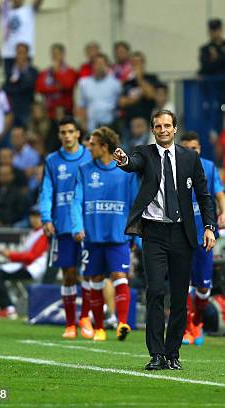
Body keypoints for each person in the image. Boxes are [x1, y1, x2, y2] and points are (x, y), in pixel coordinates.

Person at [113, 109, 216, 371]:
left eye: (167, 126)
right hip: (154, 233)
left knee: (180, 297)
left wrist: (209, 227)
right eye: (158, 126)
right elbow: (131, 163)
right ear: (153, 130)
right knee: (156, 291)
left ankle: (173, 353)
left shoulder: (190, 158)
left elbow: (204, 195)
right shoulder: (144, 153)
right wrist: (123, 159)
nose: (163, 130)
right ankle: (156, 354)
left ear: (175, 128)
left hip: (182, 233)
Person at [71, 127, 139, 341]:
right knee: (96, 280)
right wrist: (77, 226)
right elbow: (76, 200)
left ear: (104, 147)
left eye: (92, 144)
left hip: (119, 236)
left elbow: (136, 203)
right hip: (93, 235)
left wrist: (136, 234)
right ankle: (99, 327)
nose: (88, 148)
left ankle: (122, 323)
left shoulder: (126, 172)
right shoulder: (84, 170)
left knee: (120, 276)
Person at [38, 116, 94, 340]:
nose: (67, 136)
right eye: (63, 132)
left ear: (78, 133)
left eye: (71, 131)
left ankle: (86, 318)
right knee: (69, 274)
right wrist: (46, 217)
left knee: (91, 274)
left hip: (88, 226)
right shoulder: (52, 160)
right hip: (63, 226)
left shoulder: (90, 156)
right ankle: (70, 324)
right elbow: (46, 191)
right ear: (59, 135)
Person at [179, 131, 225, 345]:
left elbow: (219, 194)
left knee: (203, 287)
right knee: (181, 284)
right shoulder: (173, 167)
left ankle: (197, 322)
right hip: (180, 235)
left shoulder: (209, 167)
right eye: (186, 148)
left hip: (204, 235)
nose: (191, 152)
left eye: (195, 148)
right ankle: (185, 327)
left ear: (200, 149)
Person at [0, 206, 48, 319]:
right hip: (25, 266)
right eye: (32, 216)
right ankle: (0, 306)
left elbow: (31, 257)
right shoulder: (33, 233)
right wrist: (12, 256)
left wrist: (11, 254)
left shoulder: (43, 234)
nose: (34, 219)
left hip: (33, 268)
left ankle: (8, 308)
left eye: (38, 216)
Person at [0, 0, 43, 76]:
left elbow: (38, 2)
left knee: (26, 82)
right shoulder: (5, 11)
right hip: (8, 54)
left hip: (25, 55)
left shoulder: (29, 10)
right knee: (10, 84)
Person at [76, 53, 122, 133]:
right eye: (97, 64)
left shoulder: (115, 83)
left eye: (102, 64)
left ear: (107, 66)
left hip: (110, 126)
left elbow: (120, 103)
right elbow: (81, 105)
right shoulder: (84, 83)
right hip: (91, 127)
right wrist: (83, 123)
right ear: (93, 66)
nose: (99, 67)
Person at [36, 43, 78, 119]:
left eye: (57, 53)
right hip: (49, 111)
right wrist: (57, 88)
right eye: (53, 54)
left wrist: (57, 72)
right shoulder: (46, 72)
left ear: (63, 55)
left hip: (65, 110)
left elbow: (68, 85)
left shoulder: (70, 71)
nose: (55, 56)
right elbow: (40, 88)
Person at [3, 43, 38, 126]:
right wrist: (20, 87)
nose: (21, 56)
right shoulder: (10, 71)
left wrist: (16, 86)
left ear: (27, 54)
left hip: (26, 109)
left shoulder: (33, 71)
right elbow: (5, 88)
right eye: (19, 53)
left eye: (23, 53)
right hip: (13, 109)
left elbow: (30, 87)